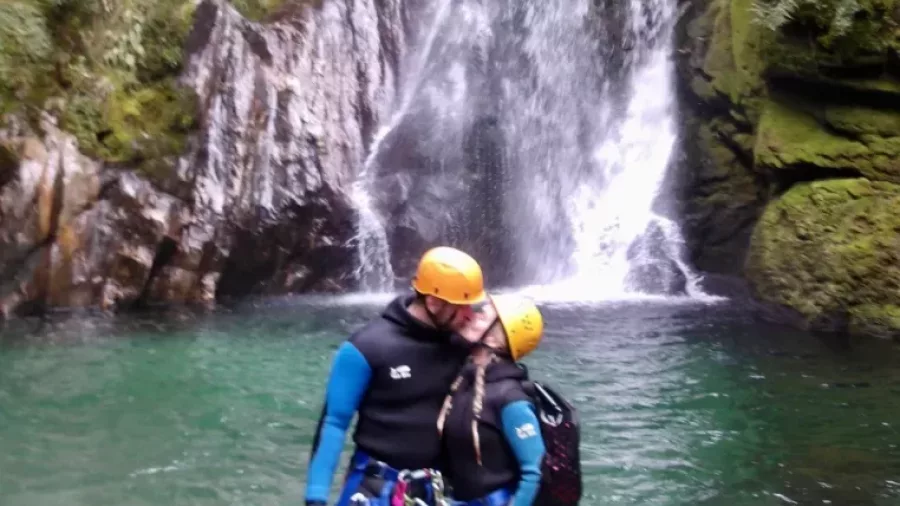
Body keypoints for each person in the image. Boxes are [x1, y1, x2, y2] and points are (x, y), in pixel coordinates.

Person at [305, 246, 487, 506]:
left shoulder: (461, 346)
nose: (470, 314)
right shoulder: (366, 347)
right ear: (433, 302)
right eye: (462, 306)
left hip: (437, 489)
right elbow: (334, 423)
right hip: (377, 488)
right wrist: (316, 497)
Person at [436, 294, 547, 506]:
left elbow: (535, 472)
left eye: (482, 315)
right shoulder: (463, 381)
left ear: (496, 338)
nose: (470, 316)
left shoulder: (511, 399)